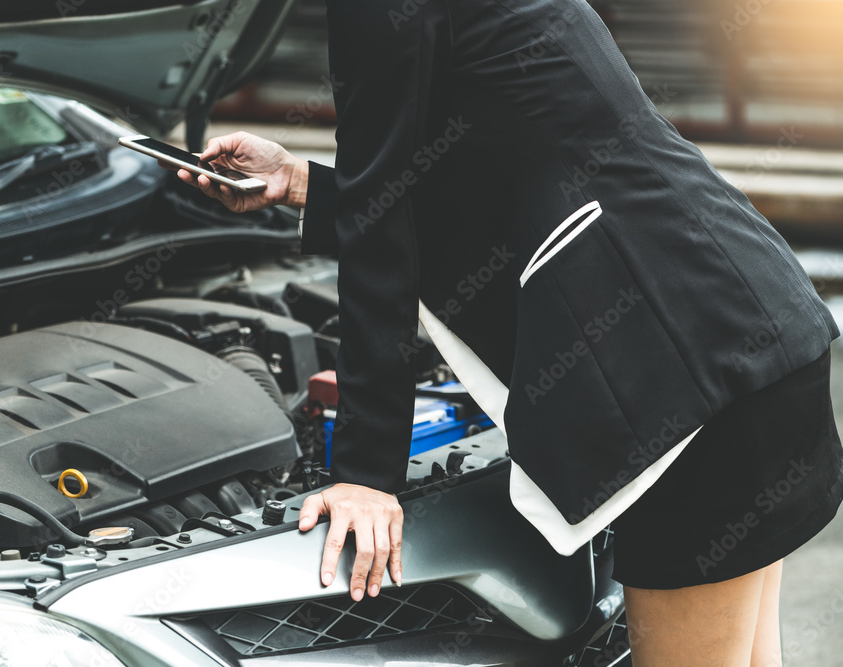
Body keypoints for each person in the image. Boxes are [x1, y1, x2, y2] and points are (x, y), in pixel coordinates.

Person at [159, 0, 843, 663]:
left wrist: (367, 475)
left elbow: (383, 232)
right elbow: (504, 163)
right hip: (747, 327)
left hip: (688, 386)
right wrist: (302, 180)